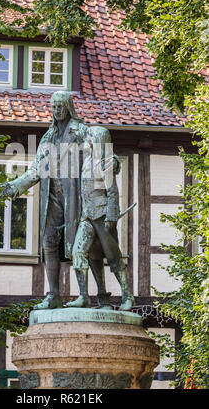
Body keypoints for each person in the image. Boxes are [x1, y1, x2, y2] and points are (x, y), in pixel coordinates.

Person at [1, 91, 88, 309]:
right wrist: (14, 186)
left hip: (75, 197)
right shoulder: (48, 137)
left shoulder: (81, 131)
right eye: (54, 107)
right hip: (52, 198)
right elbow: (36, 169)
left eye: (60, 106)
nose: (57, 111)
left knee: (77, 245)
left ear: (68, 107)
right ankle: (54, 295)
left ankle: (84, 295)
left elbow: (99, 154)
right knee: (48, 243)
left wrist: (111, 161)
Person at [66, 125, 135, 311]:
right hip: (87, 216)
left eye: (88, 138)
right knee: (79, 253)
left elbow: (113, 192)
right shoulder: (86, 162)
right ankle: (85, 297)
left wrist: (112, 216)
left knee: (113, 257)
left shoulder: (105, 163)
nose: (85, 140)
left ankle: (127, 296)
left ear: (96, 141)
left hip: (103, 215)